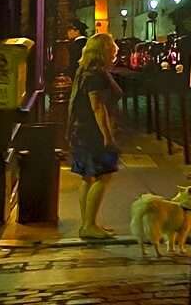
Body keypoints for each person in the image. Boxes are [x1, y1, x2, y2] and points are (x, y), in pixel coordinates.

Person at [67, 31, 123, 238]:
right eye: (113, 51)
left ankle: (88, 224)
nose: (114, 55)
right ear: (104, 52)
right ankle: (89, 225)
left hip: (81, 131)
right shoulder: (96, 76)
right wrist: (108, 137)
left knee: (87, 178)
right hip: (93, 134)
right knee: (103, 175)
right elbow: (98, 107)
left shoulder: (83, 71)